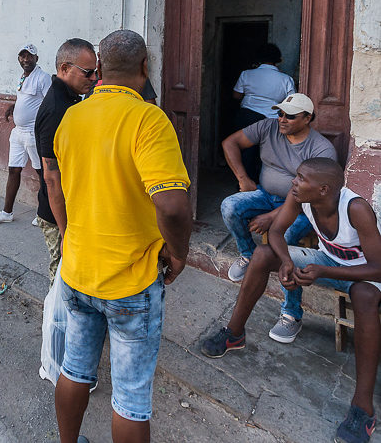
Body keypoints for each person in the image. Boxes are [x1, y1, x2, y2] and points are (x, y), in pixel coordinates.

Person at [53, 29, 192, 443]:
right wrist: (179, 253)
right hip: (131, 279)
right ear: (145, 68)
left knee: (74, 370)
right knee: (130, 397)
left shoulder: (72, 117)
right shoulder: (148, 118)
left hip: (77, 272)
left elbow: (60, 184)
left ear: (100, 66)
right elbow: (171, 204)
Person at [202, 158, 381, 443]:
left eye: (300, 179)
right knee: (262, 256)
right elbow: (275, 231)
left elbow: (378, 268)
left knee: (366, 297)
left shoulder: (355, 209)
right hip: (324, 261)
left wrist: (324, 271)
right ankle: (233, 334)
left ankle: (362, 408)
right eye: (296, 177)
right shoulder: (300, 198)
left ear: (323, 189)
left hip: (359, 272)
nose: (293, 183)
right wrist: (285, 262)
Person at [221, 92, 339, 342]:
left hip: (303, 208)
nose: (282, 120)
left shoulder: (321, 149)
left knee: (283, 241)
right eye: (281, 113)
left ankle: (291, 314)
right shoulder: (268, 126)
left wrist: (273, 217)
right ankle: (247, 254)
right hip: (264, 194)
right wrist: (243, 178)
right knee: (230, 206)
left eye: (291, 116)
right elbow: (230, 142)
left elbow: (311, 198)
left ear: (307, 118)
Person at [35, 38, 97, 286]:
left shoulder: (71, 98)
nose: (93, 78)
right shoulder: (56, 108)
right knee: (61, 278)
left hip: (72, 210)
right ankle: (55, 325)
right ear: (64, 69)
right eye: (88, 72)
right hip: (56, 215)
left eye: (96, 72)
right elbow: (51, 178)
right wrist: (64, 231)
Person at [0, 44, 51, 225]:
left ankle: (44, 215)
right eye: (22, 57)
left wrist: (44, 129)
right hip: (18, 133)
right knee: (13, 170)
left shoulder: (43, 78)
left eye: (29, 56)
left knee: (42, 174)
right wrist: (13, 107)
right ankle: (7, 213)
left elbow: (49, 103)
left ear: (36, 58)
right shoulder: (23, 77)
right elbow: (26, 100)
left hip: (33, 134)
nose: (25, 60)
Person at [232, 43, 295, 181]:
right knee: (267, 154)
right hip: (271, 120)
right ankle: (264, 185)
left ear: (258, 58)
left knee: (246, 152)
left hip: (247, 117)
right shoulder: (286, 79)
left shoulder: (246, 74)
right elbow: (291, 103)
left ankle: (244, 184)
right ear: (279, 60)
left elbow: (236, 96)